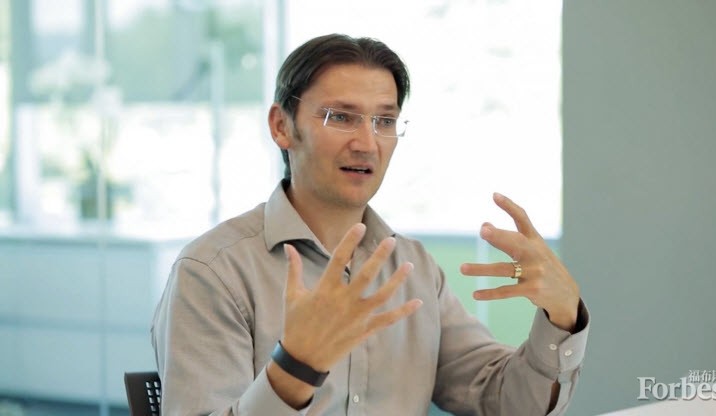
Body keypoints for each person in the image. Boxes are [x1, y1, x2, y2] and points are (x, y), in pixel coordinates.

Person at [151, 33, 590, 415]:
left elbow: (508, 403)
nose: (366, 143)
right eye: (341, 117)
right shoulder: (212, 271)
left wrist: (562, 317)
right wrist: (294, 368)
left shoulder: (413, 269)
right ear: (282, 126)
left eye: (384, 121)